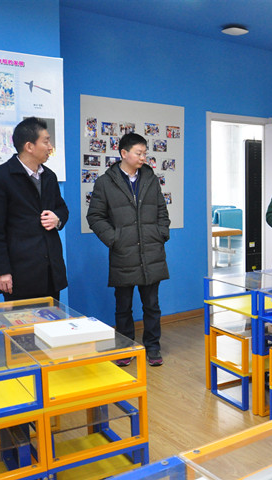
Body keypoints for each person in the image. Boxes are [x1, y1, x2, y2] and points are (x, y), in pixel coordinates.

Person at [87, 133, 170, 367]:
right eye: (138, 153)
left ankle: (152, 347)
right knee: (123, 306)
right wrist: (115, 239)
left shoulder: (151, 179)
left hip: (151, 252)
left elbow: (162, 211)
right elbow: (95, 216)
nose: (143, 157)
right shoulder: (105, 182)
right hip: (123, 253)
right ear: (124, 153)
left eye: (145, 153)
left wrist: (161, 233)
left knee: (152, 306)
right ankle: (125, 348)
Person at [0, 117, 68, 301]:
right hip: (19, 272)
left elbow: (61, 208)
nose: (50, 147)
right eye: (46, 141)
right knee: (21, 320)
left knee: (53, 318)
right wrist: (1, 270)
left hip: (51, 270)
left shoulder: (49, 176)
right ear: (29, 146)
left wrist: (57, 218)